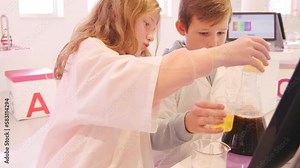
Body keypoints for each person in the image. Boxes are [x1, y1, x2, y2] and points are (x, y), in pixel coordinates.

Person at [5, 0, 270, 167]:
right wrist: (221, 54)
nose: (150, 36)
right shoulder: (90, 52)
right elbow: (137, 78)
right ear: (121, 13)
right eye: (146, 24)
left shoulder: (134, 60)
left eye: (154, 27)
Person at [151, 0, 244, 167]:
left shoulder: (230, 68)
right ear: (181, 28)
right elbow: (154, 136)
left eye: (221, 33)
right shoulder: (164, 71)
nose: (214, 43)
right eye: (203, 33)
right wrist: (186, 124)